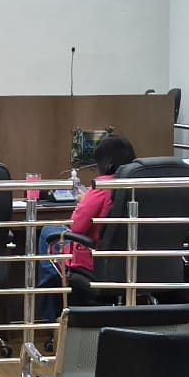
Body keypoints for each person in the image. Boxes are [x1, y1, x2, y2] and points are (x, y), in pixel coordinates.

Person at [35, 135, 138, 324]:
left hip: (94, 258)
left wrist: (84, 201)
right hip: (132, 261)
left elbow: (77, 226)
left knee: (47, 231)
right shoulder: (139, 183)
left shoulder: (103, 185)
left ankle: (50, 306)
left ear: (105, 162)